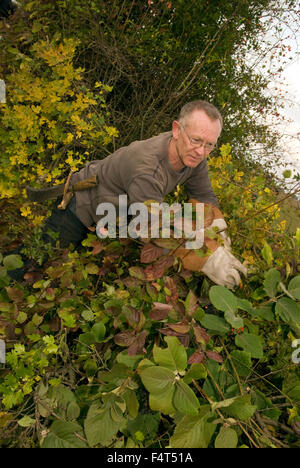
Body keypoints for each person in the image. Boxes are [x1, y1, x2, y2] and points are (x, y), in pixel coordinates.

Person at [7, 100, 247, 287]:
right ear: (176, 130)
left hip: (113, 218)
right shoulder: (147, 167)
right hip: (80, 208)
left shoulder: (194, 158)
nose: (201, 151)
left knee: (80, 275)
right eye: (196, 140)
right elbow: (153, 226)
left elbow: (204, 198)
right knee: (33, 264)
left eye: (209, 145)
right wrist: (208, 257)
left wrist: (217, 229)